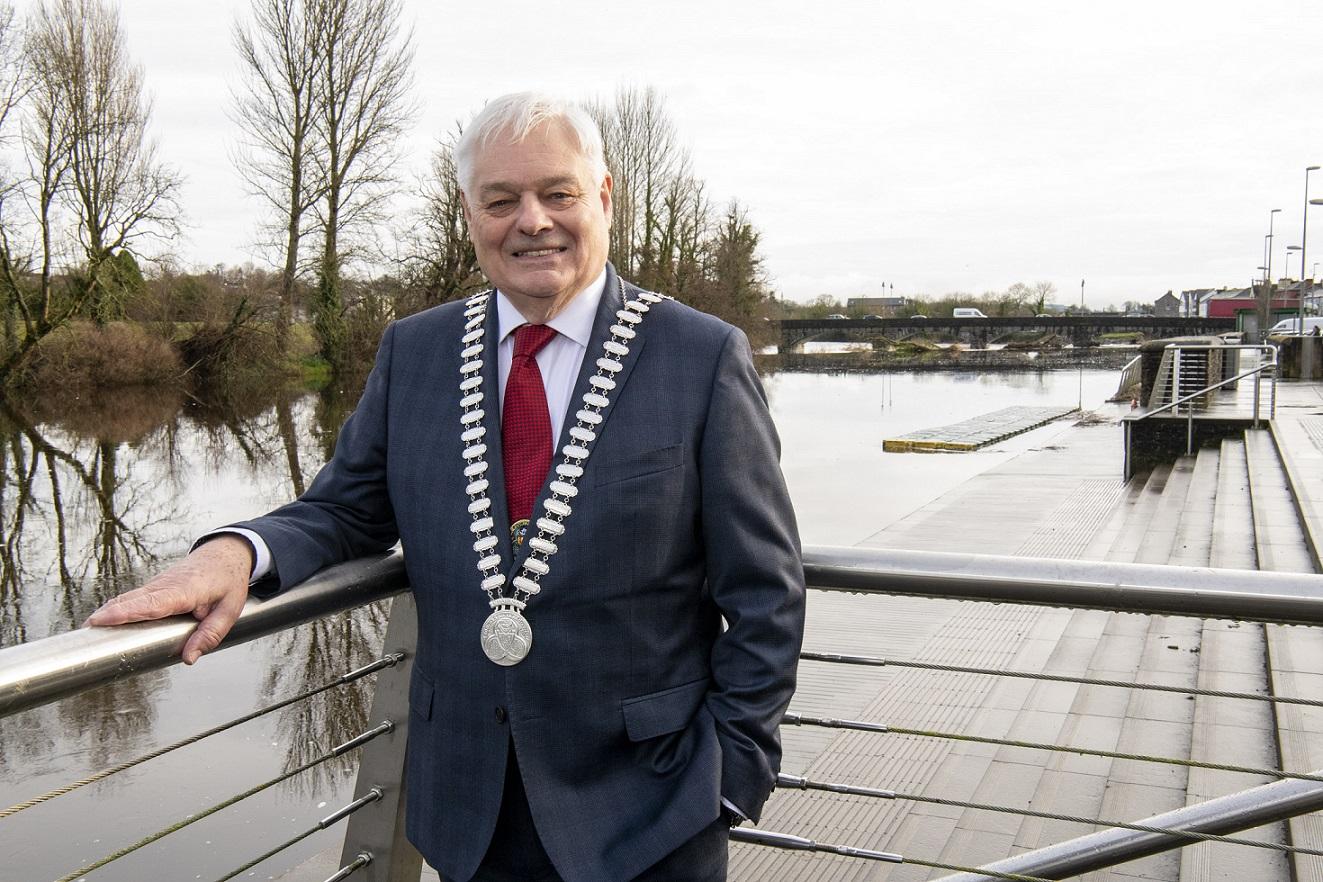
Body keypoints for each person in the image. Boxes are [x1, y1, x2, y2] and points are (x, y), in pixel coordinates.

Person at [87, 92, 805, 882]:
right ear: (470, 214)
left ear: (602, 197)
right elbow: (346, 509)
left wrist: (732, 776)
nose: (531, 220)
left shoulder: (699, 357)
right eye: (501, 201)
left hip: (652, 806)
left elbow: (765, 590)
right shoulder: (417, 351)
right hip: (468, 809)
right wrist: (236, 552)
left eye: (556, 193)